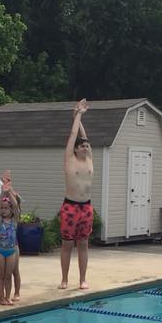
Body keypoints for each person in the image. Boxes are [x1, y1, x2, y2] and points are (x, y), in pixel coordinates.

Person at [60, 99, 94, 290]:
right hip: (71, 206)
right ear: (74, 149)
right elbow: (74, 135)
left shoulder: (89, 160)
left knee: (83, 244)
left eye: (86, 146)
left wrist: (77, 117)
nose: (85, 147)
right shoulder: (69, 160)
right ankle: (64, 279)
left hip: (86, 207)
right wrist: (78, 114)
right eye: (82, 146)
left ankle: (82, 279)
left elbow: (83, 136)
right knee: (67, 245)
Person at [0, 171, 20, 306]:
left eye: (6, 208)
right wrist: (2, 192)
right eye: (3, 208)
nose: (4, 210)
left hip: (11, 251)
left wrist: (9, 191)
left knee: (8, 276)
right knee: (1, 276)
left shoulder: (14, 221)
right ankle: (1, 297)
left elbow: (16, 207)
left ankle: (8, 297)